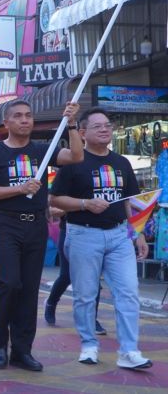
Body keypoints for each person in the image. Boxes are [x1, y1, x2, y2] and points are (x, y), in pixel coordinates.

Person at [0, 99, 82, 372]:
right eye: (18, 116)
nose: (25, 120)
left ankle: (22, 351)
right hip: (6, 224)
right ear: (7, 122)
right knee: (9, 283)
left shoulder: (41, 150)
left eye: (28, 116)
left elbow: (76, 157)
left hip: (36, 225)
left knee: (29, 290)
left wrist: (72, 124)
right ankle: (0, 344)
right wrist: (20, 189)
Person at [49, 107, 152, 370]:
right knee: (86, 294)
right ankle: (89, 345)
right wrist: (84, 203)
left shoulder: (122, 163)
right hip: (83, 234)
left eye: (107, 125)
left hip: (119, 236)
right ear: (82, 133)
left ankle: (129, 351)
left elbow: (130, 201)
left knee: (128, 293)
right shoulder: (73, 163)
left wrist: (136, 233)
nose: (105, 129)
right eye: (98, 126)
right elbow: (54, 199)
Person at [44, 215, 107, 335]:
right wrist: (81, 206)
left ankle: (92, 320)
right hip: (69, 232)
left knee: (94, 279)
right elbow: (52, 208)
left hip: (93, 234)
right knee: (66, 276)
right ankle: (51, 303)